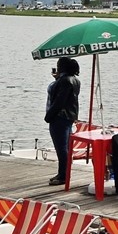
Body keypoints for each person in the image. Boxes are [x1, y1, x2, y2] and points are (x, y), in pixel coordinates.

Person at [44, 56, 80, 186]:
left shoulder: (64, 81)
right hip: (69, 117)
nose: (57, 67)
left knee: (61, 148)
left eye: (58, 65)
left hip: (59, 117)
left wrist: (48, 116)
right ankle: (63, 173)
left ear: (62, 67)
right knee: (65, 147)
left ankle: (63, 175)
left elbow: (59, 101)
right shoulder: (74, 80)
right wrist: (57, 79)